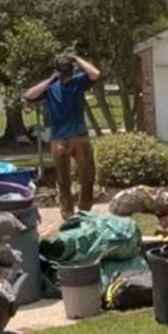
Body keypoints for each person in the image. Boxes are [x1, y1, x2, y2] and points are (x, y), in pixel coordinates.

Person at [24, 52, 101, 218]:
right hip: (60, 139)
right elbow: (28, 95)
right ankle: (67, 215)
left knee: (88, 176)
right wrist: (51, 79)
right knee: (63, 180)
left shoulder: (78, 81)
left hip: (79, 136)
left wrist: (77, 58)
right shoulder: (50, 87)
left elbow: (95, 74)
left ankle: (84, 211)